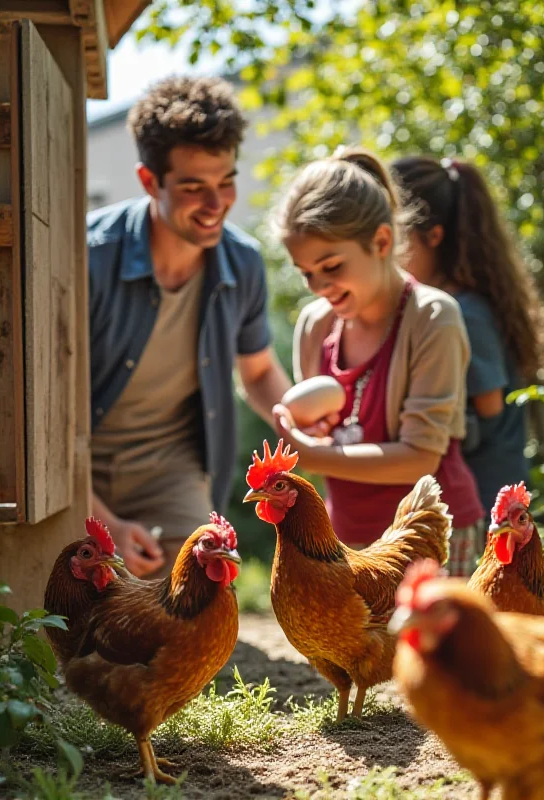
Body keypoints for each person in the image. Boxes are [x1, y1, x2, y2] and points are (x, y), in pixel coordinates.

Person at [88, 76, 291, 578]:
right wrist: (103, 519)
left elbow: (260, 372)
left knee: (196, 603)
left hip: (170, 470)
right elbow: (40, 416)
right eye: (194, 187)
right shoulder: (88, 258)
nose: (216, 202)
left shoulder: (241, 262)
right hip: (72, 464)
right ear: (149, 181)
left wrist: (301, 428)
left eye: (225, 182)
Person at [272, 147, 485, 576]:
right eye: (305, 272)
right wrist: (310, 430)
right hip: (346, 539)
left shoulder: (432, 318)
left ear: (382, 242)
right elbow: (326, 433)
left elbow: (420, 456)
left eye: (330, 265)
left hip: (431, 538)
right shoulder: (316, 325)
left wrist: (314, 456)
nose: (318, 286)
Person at [389, 156, 544, 516]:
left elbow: (489, 407)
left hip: (487, 503)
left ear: (434, 236)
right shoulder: (442, 305)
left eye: (397, 238)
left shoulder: (465, 312)